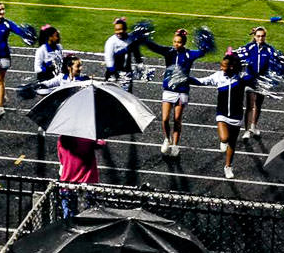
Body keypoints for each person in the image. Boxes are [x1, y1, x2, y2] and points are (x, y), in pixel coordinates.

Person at [142, 28, 211, 157]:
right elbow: (155, 47)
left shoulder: (189, 54)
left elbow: (202, 52)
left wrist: (205, 42)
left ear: (183, 43)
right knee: (165, 119)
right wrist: (144, 38)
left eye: (178, 42)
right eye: (174, 41)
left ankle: (175, 145)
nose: (176, 44)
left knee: (177, 119)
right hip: (169, 90)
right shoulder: (169, 52)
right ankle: (167, 139)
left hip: (182, 91)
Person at [189, 50, 257, 178]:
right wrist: (187, 79)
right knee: (225, 138)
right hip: (222, 114)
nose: (221, 68)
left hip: (237, 116)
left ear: (231, 67)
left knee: (232, 143)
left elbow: (254, 78)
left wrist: (251, 64)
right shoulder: (218, 76)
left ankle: (228, 166)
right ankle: (223, 141)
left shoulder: (241, 78)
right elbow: (202, 81)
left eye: (223, 66)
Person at [235, 26, 280, 139]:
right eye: (258, 36)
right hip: (250, 80)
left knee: (258, 104)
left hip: (262, 81)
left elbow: (275, 62)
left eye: (262, 36)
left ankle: (254, 126)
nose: (260, 38)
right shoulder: (249, 48)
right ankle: (246, 130)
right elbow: (238, 57)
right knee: (250, 105)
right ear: (254, 36)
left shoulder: (269, 49)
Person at [57, 132, 104, 218]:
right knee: (90, 213)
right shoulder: (88, 138)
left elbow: (61, 158)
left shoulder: (62, 138)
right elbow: (101, 143)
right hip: (87, 181)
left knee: (68, 213)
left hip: (68, 181)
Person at [102, 17, 142, 91]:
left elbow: (136, 52)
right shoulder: (111, 42)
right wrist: (114, 74)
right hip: (114, 73)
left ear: (125, 29)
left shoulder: (131, 39)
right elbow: (109, 59)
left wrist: (139, 63)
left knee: (127, 97)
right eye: (116, 30)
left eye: (121, 29)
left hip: (127, 73)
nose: (119, 32)